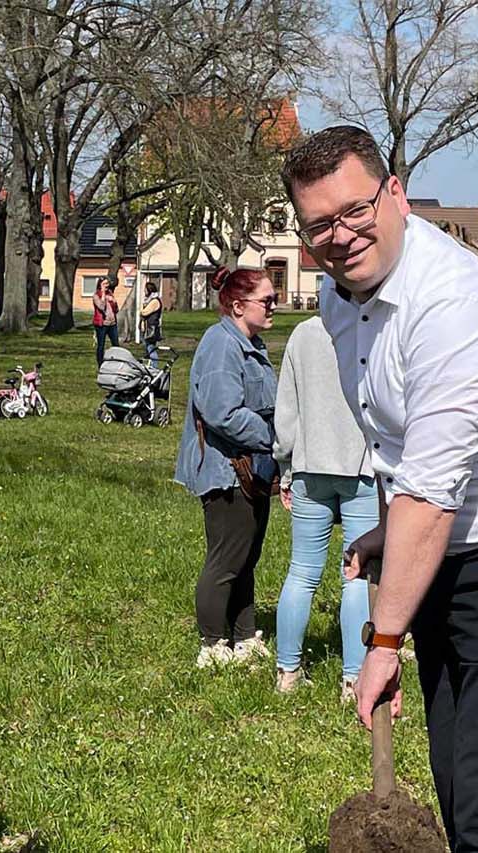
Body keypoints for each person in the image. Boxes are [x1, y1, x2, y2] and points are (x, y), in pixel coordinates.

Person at [285, 125, 478, 852]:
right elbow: (402, 445)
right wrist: (388, 529)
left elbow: (430, 490)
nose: (342, 234)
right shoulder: (339, 300)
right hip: (447, 559)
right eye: (320, 223)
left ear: (396, 195)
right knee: (468, 791)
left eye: (356, 209)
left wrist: (384, 640)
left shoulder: (455, 305)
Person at [174, 268, 279, 669]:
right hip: (226, 472)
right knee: (225, 561)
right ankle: (213, 644)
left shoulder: (249, 342)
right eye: (266, 301)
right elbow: (222, 412)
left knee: (245, 558)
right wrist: (273, 434)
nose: (273, 306)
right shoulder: (222, 345)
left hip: (250, 472)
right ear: (238, 306)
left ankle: (244, 636)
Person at [270, 314, 377, 699]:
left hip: (309, 465)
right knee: (356, 573)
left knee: (301, 572)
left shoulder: (302, 334)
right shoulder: (371, 328)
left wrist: (285, 466)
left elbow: (286, 410)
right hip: (361, 467)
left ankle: (288, 670)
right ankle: (352, 678)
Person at [93, 279, 121, 362]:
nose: (106, 285)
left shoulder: (110, 294)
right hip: (102, 324)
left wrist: (114, 302)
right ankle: (100, 363)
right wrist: (103, 295)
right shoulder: (96, 295)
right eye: (104, 283)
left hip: (112, 323)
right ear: (100, 285)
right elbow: (101, 307)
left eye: (107, 283)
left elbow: (116, 310)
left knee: (116, 344)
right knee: (101, 345)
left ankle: (117, 362)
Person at [139, 283, 165, 361]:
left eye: (145, 289)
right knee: (147, 348)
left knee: (151, 348)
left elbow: (145, 312)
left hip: (151, 328)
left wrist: (141, 310)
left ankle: (154, 366)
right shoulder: (149, 300)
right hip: (147, 327)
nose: (144, 291)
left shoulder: (154, 301)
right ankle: (150, 366)